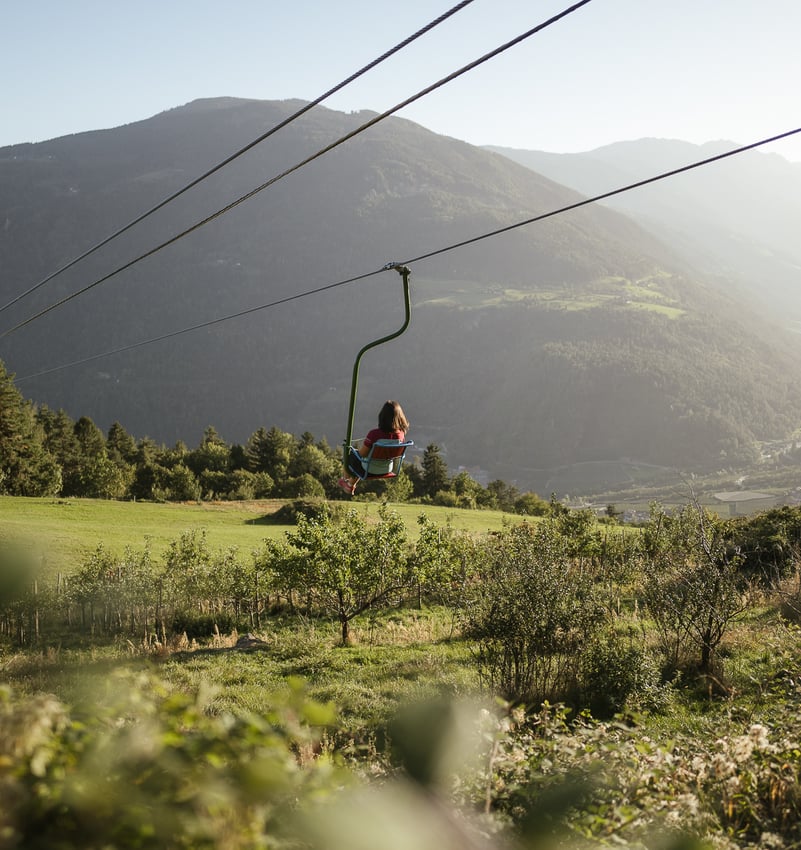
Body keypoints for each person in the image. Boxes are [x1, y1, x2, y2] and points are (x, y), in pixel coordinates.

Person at [339, 400, 409, 495]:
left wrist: (352, 450)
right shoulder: (401, 435)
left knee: (349, 454)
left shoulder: (374, 434)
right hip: (387, 469)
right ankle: (350, 484)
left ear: (382, 417)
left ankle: (346, 480)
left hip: (369, 470)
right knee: (363, 461)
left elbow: (362, 454)